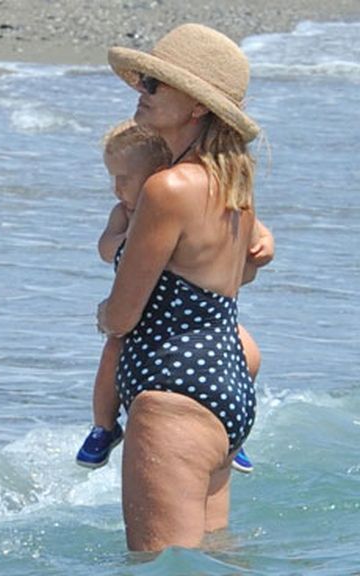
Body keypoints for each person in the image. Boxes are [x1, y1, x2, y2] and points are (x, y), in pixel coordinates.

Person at [97, 23, 267, 551]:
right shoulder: (233, 184)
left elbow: (124, 314)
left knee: (157, 565)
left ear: (195, 106)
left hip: (172, 394)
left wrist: (103, 316)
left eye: (153, 83)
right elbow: (234, 277)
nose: (140, 92)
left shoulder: (167, 187)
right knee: (213, 559)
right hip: (227, 389)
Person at [77, 120, 273, 475]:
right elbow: (106, 248)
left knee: (250, 351)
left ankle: (233, 433)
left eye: (125, 178)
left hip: (189, 328)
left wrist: (264, 245)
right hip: (159, 325)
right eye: (112, 177)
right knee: (113, 347)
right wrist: (129, 242)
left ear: (157, 174)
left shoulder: (177, 197)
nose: (116, 188)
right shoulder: (124, 214)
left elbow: (257, 234)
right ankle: (104, 426)